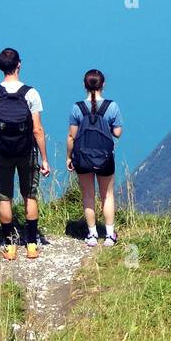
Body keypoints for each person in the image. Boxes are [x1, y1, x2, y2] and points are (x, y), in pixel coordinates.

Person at [0, 48, 50, 260]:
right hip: (27, 152)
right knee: (30, 195)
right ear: (19, 65)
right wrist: (44, 159)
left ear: (0, 67)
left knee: (4, 196)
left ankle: (9, 245)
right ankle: (30, 244)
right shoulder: (31, 93)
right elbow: (37, 129)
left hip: (2, 152)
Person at [67, 69, 123, 247]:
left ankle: (91, 235)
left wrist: (69, 157)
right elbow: (117, 133)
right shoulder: (111, 107)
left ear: (84, 85)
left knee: (88, 195)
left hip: (82, 158)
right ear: (103, 85)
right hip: (105, 159)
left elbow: (72, 137)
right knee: (107, 195)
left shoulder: (77, 108)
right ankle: (109, 235)